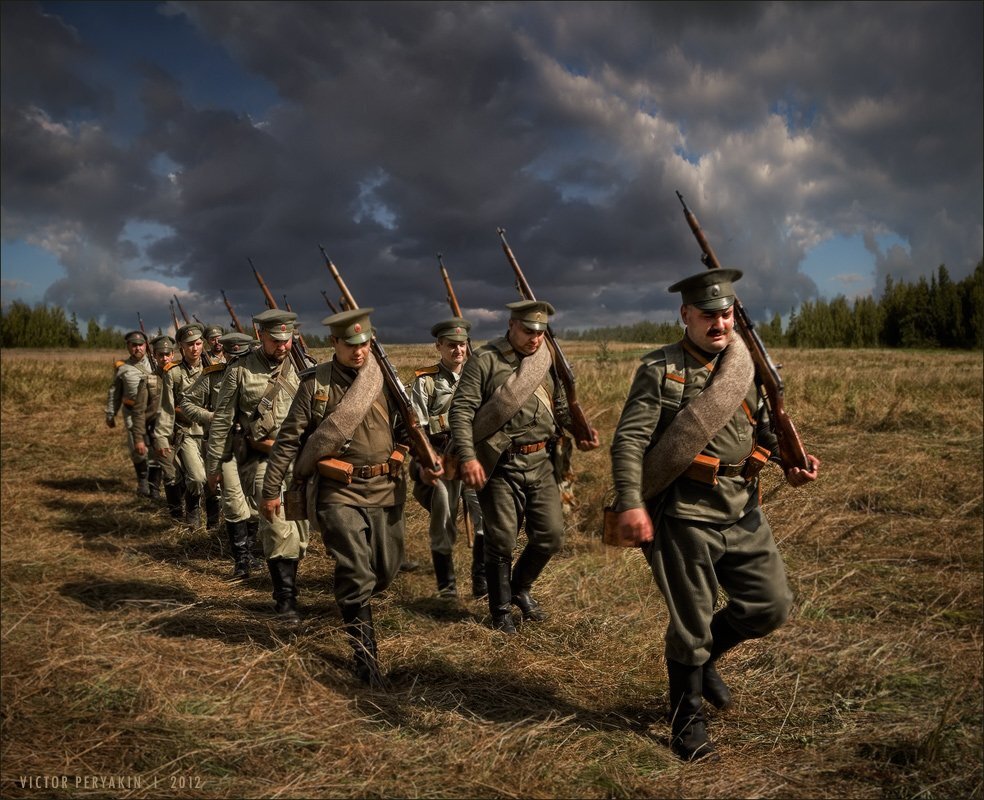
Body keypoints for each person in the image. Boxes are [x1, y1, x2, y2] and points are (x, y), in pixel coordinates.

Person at [609, 268, 820, 762]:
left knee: (770, 605)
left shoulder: (746, 367)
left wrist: (792, 466)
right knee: (691, 624)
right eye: (708, 315)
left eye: (726, 314)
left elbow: (765, 432)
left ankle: (705, 664)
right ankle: (686, 720)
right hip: (685, 515)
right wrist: (632, 502)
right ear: (685, 315)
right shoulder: (661, 369)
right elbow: (629, 441)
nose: (719, 324)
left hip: (742, 508)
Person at [262, 308, 414, 686]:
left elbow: (409, 430)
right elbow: (288, 441)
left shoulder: (387, 381)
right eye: (351, 344)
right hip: (337, 493)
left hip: (385, 490)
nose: (359, 351)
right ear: (335, 343)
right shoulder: (316, 384)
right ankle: (366, 662)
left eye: (364, 344)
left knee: (384, 571)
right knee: (357, 571)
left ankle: (352, 601)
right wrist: (270, 490)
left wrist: (409, 453)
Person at [449, 300, 600, 633]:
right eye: (529, 330)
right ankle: (500, 609)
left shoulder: (547, 359)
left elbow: (561, 410)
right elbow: (460, 412)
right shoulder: (485, 360)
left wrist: (580, 431)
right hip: (501, 464)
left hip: (542, 462)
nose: (535, 338)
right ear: (512, 324)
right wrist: (468, 457)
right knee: (502, 540)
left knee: (551, 536)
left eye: (541, 332)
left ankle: (519, 588)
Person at [205, 309, 308, 622]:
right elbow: (222, 420)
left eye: (286, 339)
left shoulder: (305, 367)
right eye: (275, 339)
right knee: (277, 523)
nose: (282, 345)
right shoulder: (239, 370)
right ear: (260, 335)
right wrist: (214, 464)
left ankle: (286, 581)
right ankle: (285, 601)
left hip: (299, 461)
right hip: (261, 459)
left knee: (299, 532)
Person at [410, 317, 486, 599]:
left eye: (462, 344)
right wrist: (429, 460)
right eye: (451, 345)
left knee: (486, 518)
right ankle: (447, 585)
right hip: (442, 457)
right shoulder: (426, 382)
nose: (458, 350)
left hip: (473, 457)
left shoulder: (480, 377)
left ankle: (482, 583)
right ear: (439, 346)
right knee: (443, 519)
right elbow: (417, 427)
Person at [182, 331, 261, 579]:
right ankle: (241, 561)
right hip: (226, 446)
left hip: (256, 447)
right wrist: (212, 417)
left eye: (242, 355)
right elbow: (186, 403)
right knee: (234, 503)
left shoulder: (261, 376)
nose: (236, 360)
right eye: (231, 355)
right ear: (224, 353)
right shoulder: (213, 376)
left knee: (256, 503)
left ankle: (252, 550)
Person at [156, 323, 218, 528]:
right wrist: (162, 438)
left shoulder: (214, 369)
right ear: (181, 347)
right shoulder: (173, 374)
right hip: (187, 431)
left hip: (211, 432)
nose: (195, 348)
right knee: (197, 477)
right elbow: (166, 408)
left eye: (199, 343)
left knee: (213, 478)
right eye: (189, 344)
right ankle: (192, 512)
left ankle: (212, 522)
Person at [129, 335, 177, 505]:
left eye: (167, 354)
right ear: (155, 357)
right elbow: (139, 412)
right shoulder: (149, 380)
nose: (164, 358)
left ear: (173, 355)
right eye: (160, 355)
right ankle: (174, 509)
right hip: (157, 432)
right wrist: (139, 438)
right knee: (171, 472)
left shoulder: (180, 377)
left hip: (180, 432)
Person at [105, 330, 154, 497]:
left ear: (146, 346)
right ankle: (142, 482)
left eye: (141, 345)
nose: (138, 348)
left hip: (153, 412)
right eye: (134, 345)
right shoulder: (122, 368)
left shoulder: (156, 365)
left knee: (156, 447)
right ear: (128, 346)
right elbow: (115, 393)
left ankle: (155, 485)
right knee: (137, 447)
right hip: (132, 412)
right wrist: (111, 414)